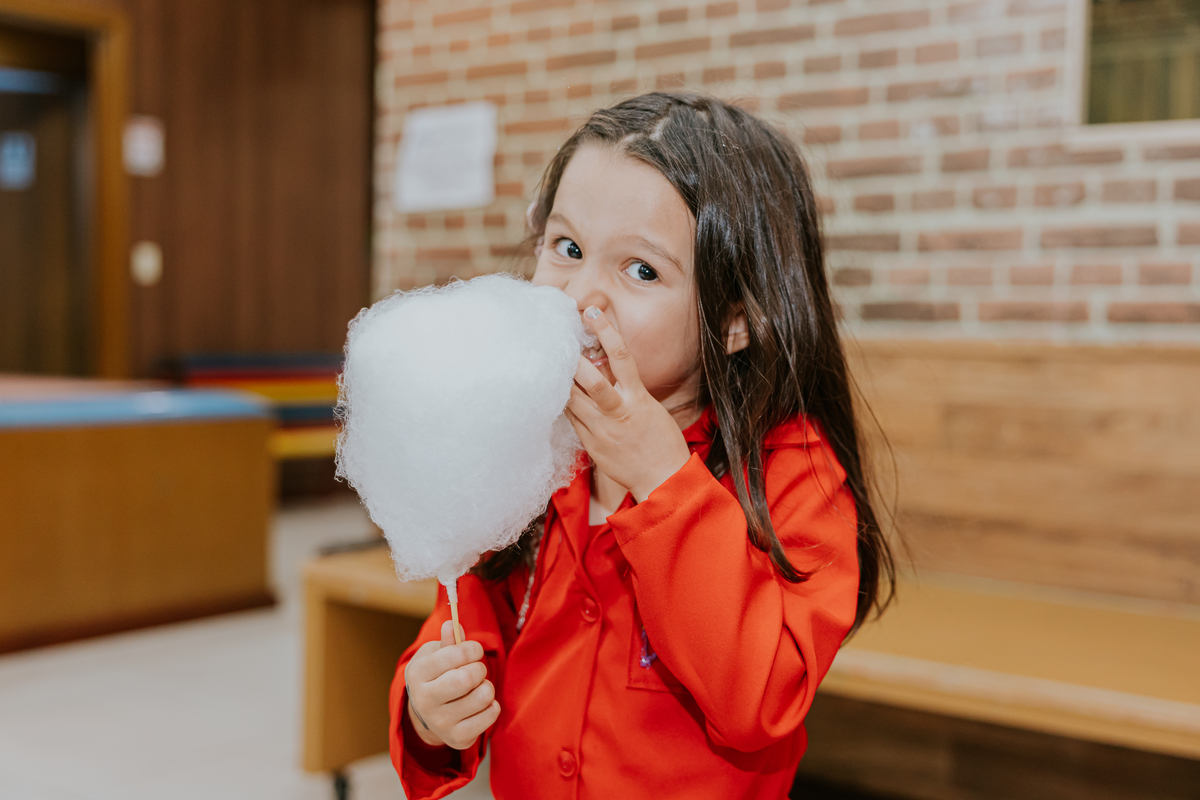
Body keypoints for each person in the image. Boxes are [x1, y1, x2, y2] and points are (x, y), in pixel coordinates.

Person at [389, 92, 895, 800]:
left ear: (735, 320)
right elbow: (464, 625)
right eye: (568, 248)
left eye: (641, 270)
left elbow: (761, 698)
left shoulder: (794, 473)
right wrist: (429, 705)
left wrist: (662, 477)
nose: (581, 294)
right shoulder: (530, 448)